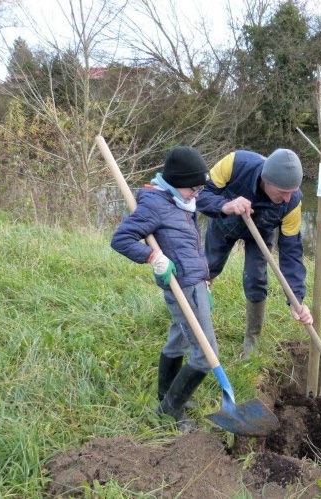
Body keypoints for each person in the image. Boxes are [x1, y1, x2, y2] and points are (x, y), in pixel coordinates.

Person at [111, 146, 215, 430]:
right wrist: (153, 257)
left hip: (195, 285)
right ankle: (169, 411)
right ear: (176, 182)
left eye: (199, 189)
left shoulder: (183, 203)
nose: (196, 194)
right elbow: (121, 240)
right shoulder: (155, 204)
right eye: (193, 188)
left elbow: (191, 245)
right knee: (206, 357)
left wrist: (205, 278)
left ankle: (167, 395)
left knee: (178, 340)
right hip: (181, 286)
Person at [196, 148, 313, 358]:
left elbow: (291, 253)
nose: (287, 198)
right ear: (265, 181)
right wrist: (225, 205)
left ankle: (252, 341)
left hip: (262, 231)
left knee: (256, 280)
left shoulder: (293, 203)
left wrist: (295, 297)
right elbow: (200, 195)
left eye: (292, 191)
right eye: (282, 192)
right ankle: (198, 328)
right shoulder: (234, 163)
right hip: (224, 222)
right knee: (207, 270)